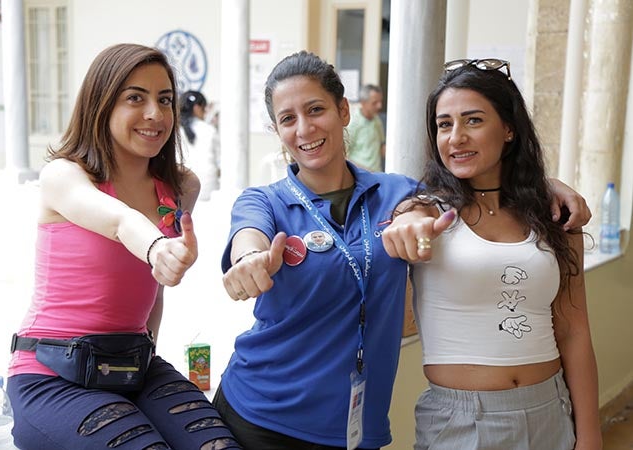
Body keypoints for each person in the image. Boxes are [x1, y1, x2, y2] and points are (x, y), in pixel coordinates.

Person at [213, 51, 591, 450]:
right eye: (288, 119)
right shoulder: (263, 201)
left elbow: (449, 193)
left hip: (356, 426)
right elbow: (249, 236)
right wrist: (248, 260)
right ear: (277, 130)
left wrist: (547, 185)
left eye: (315, 109)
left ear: (344, 111)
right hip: (260, 414)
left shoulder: (398, 193)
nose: (304, 128)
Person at [7, 43, 241, 450]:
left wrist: (149, 355)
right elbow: (119, 221)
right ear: (102, 104)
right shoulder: (64, 176)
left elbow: (155, 294)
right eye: (136, 97)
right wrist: (157, 249)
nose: (155, 113)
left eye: (164, 100)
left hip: (134, 365)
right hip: (50, 373)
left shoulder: (182, 186)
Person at [383, 58, 601, 450]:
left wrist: (590, 436)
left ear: (509, 129)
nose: (455, 137)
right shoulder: (428, 212)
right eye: (444, 124)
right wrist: (406, 221)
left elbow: (574, 330)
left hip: (551, 410)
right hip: (461, 423)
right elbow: (407, 221)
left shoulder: (553, 214)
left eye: (473, 120)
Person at [180, 90, 220, 201]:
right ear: (197, 108)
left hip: (182, 190)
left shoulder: (174, 131)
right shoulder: (209, 130)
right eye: (204, 109)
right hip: (208, 190)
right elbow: (220, 161)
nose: (206, 113)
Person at [346, 84, 384, 172]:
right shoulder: (352, 123)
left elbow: (381, 147)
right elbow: (343, 157)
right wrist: (365, 171)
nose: (379, 106)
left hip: (377, 175)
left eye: (380, 102)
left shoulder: (377, 120)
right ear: (363, 103)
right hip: (361, 176)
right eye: (375, 103)